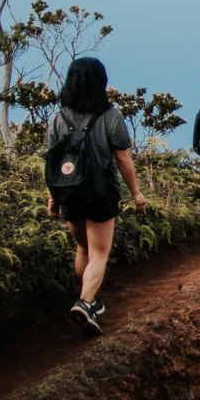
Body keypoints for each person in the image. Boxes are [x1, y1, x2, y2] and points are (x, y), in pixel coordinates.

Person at [45, 57, 148, 335]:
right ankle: (85, 302)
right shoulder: (110, 116)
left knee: (83, 249)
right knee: (100, 252)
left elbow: (52, 162)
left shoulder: (58, 118)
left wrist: (53, 197)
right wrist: (136, 193)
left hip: (69, 192)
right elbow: (123, 158)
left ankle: (87, 300)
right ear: (100, 83)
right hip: (101, 191)